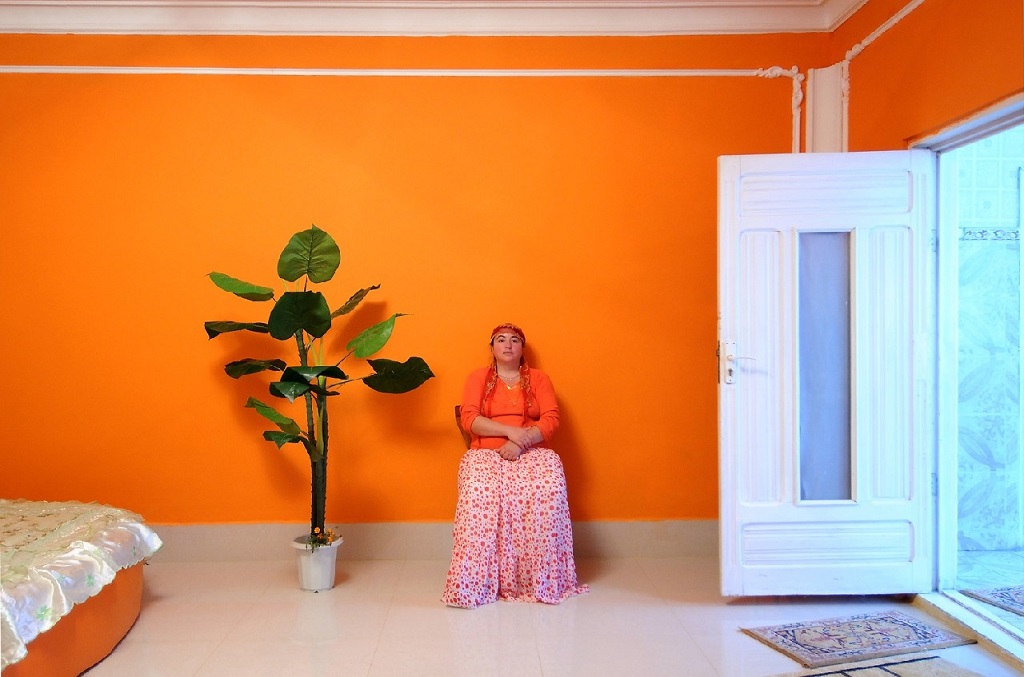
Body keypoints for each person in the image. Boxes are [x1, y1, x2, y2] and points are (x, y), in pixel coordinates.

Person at [442, 322, 589, 608]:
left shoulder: (539, 378)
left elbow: (551, 420)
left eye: (514, 340)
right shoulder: (477, 378)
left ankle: (539, 581)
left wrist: (521, 443)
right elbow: (469, 419)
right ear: (492, 348)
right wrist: (510, 432)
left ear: (522, 348)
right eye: (501, 339)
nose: (507, 344)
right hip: (485, 453)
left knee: (549, 488)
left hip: (533, 450)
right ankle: (475, 582)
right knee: (478, 491)